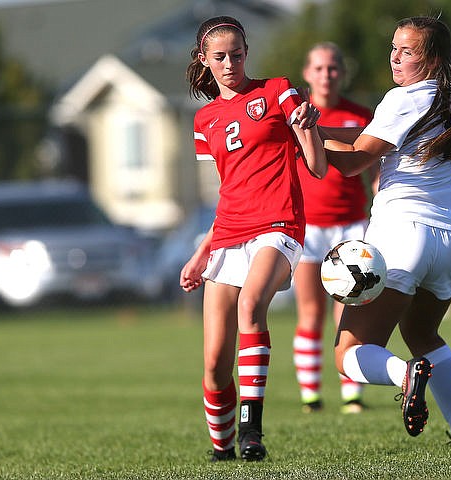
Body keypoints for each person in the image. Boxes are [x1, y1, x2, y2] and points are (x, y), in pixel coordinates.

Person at [321, 16, 451, 444]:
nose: (394, 57)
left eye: (407, 51)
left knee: (347, 354)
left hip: (401, 235)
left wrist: (303, 138)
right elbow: (370, 136)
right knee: (421, 334)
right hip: (450, 239)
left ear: (431, 59)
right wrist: (318, 129)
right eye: (393, 47)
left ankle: (404, 375)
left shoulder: (403, 98)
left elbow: (354, 160)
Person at [181, 15, 326, 462]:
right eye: (220, 57)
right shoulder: (204, 120)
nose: (230, 64)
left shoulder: (278, 90)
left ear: (248, 54)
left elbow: (317, 166)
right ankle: (222, 449)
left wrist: (308, 123)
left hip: (279, 224)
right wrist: (201, 251)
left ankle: (251, 430)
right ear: (204, 61)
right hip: (228, 232)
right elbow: (226, 194)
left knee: (251, 305)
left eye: (238, 55)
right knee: (213, 362)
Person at [291, 42, 375, 415]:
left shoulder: (360, 115)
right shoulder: (294, 116)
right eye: (319, 68)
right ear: (308, 74)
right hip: (308, 226)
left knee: (349, 312)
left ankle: (351, 395)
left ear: (342, 72)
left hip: (351, 227)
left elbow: (374, 170)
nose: (327, 74)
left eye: (333, 68)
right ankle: (311, 397)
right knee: (310, 313)